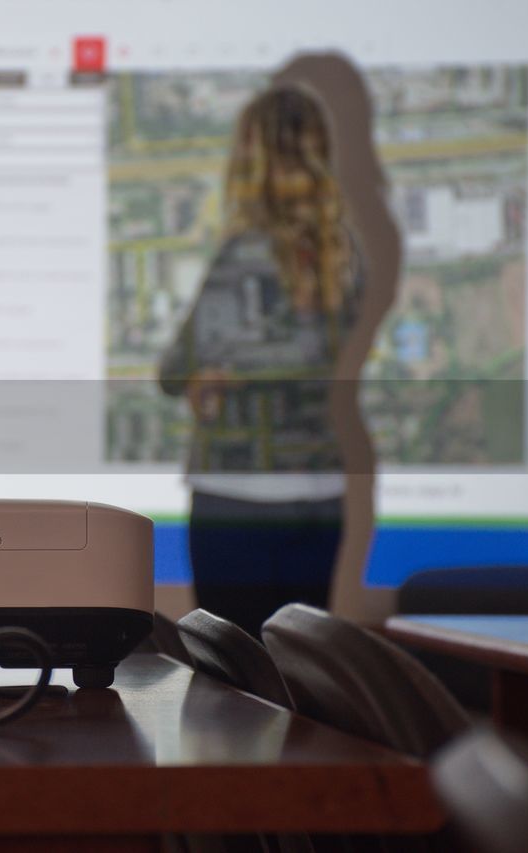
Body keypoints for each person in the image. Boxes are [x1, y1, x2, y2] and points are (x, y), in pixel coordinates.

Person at [160, 85, 365, 639]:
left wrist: (206, 375)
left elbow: (171, 369)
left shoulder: (242, 254)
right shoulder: (343, 256)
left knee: (237, 691)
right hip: (319, 495)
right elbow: (310, 357)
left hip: (238, 497)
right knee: (298, 679)